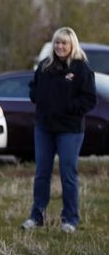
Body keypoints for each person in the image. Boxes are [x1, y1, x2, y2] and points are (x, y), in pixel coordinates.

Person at [22, 27, 96, 233]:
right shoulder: (45, 67)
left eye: (64, 43)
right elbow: (33, 87)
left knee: (68, 173)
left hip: (70, 130)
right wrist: (36, 97)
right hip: (44, 128)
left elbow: (90, 99)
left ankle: (70, 219)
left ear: (72, 45)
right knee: (41, 173)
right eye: (57, 42)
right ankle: (37, 217)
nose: (60, 46)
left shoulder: (81, 69)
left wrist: (68, 109)